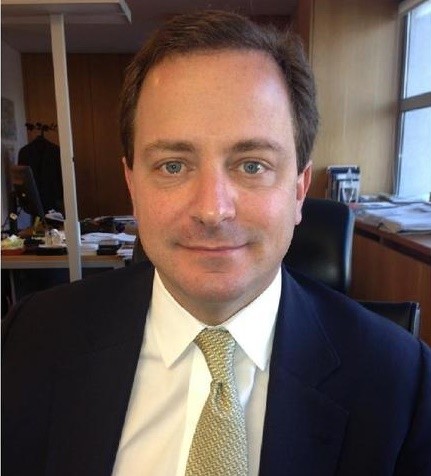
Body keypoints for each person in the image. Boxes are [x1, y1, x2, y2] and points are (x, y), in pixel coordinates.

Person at [2, 10, 430, 476]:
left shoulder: (401, 383)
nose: (212, 210)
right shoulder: (31, 340)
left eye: (252, 165)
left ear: (299, 189)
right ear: (132, 185)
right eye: (173, 165)